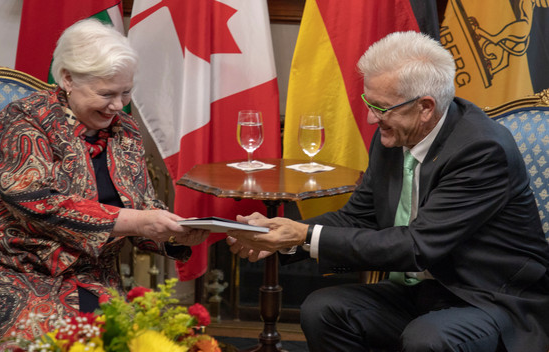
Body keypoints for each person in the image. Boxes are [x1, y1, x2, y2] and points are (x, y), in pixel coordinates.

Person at [226, 31, 549, 352]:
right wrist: (280, 241)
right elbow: (359, 217)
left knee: (428, 338)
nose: (370, 118)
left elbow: (418, 246)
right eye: (369, 102)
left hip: (490, 299)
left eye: (381, 107)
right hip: (422, 292)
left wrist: (302, 234)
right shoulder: (395, 136)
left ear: (425, 106)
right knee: (325, 309)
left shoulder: (480, 149)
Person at [0, 19, 209, 350]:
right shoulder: (25, 120)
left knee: (138, 340)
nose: (118, 106)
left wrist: (172, 231)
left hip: (92, 274)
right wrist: (138, 222)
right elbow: (39, 203)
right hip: (9, 266)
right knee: (58, 341)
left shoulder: (124, 129)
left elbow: (141, 205)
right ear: (67, 78)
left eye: (126, 92)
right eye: (106, 93)